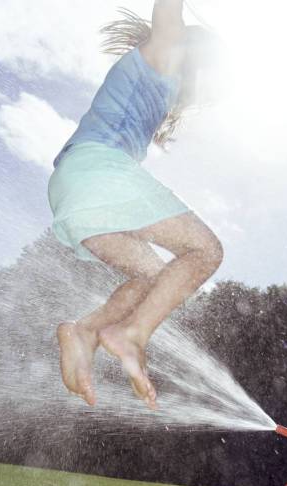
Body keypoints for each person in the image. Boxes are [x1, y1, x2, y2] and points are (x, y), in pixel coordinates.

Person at [48, 1, 224, 409]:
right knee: (205, 251)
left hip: (74, 185)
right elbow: (168, 13)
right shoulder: (165, 51)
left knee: (153, 280)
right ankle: (132, 336)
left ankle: (86, 330)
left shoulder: (161, 85)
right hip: (97, 168)